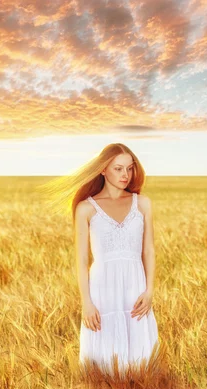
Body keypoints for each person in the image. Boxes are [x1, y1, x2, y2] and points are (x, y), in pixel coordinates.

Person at [71, 143, 159, 376]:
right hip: (102, 289)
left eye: (129, 169)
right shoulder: (85, 209)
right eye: (118, 169)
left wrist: (149, 291)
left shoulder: (142, 204)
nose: (125, 175)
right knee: (104, 366)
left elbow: (148, 251)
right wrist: (86, 302)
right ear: (103, 170)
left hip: (135, 286)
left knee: (140, 366)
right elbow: (81, 260)